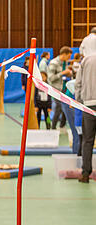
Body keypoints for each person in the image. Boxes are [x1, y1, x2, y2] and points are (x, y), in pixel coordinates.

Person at [75, 41, 96, 183]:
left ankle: (85, 174)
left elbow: (78, 83)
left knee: (87, 141)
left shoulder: (86, 60)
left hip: (88, 106)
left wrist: (78, 100)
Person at [48, 47, 74, 129]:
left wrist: (68, 74)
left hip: (63, 89)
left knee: (66, 107)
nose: (69, 58)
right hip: (55, 89)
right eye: (68, 56)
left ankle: (62, 126)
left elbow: (64, 75)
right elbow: (51, 78)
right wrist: (62, 73)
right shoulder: (53, 63)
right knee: (58, 109)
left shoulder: (64, 62)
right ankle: (53, 127)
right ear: (63, 54)